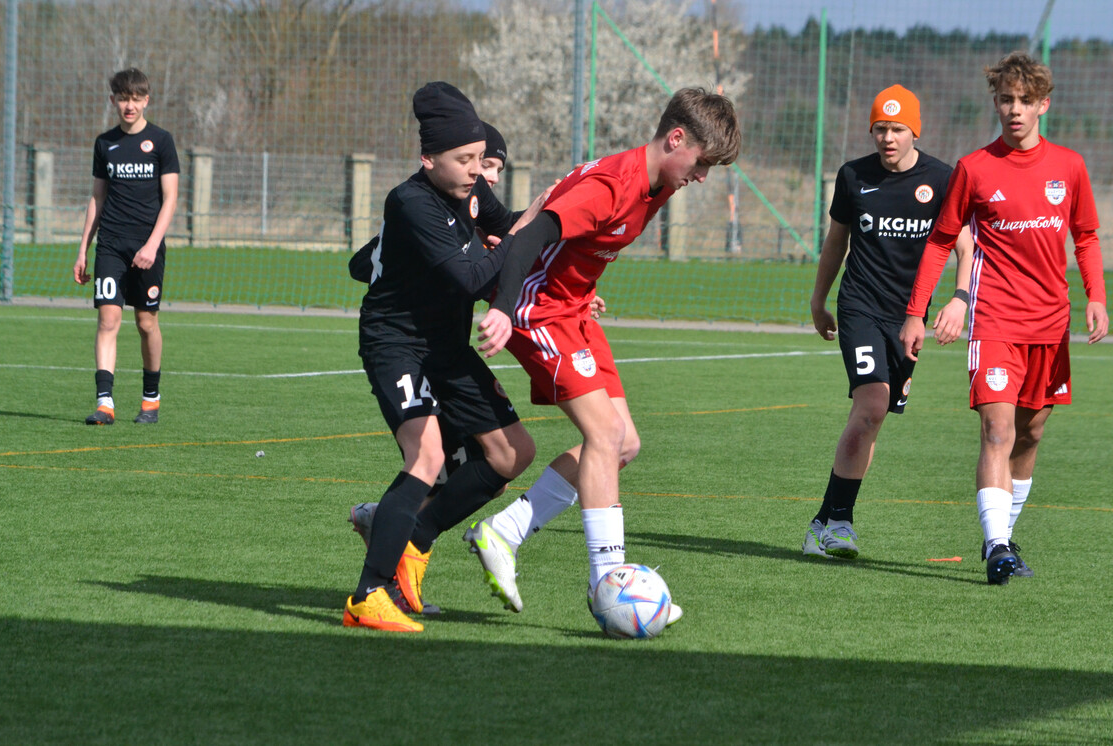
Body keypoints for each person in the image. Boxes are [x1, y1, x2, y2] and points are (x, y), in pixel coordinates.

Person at [469, 87, 742, 622]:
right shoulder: (613, 186)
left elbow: (551, 221)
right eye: (703, 162)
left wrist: (581, 282)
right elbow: (533, 236)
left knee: (624, 443)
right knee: (603, 434)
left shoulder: (657, 182)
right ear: (676, 138)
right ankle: (608, 584)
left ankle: (504, 532)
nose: (702, 176)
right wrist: (501, 306)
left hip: (571, 308)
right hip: (536, 308)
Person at [900, 52, 1108, 585]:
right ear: (996, 102)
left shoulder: (1069, 167)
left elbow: (1085, 236)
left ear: (1044, 104)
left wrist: (1096, 297)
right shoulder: (975, 168)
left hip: (1051, 325)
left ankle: (1007, 538)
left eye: (1024, 101)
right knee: (997, 429)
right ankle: (994, 546)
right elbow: (942, 240)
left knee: (1030, 432)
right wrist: (917, 311)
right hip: (994, 322)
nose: (1014, 110)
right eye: (1005, 100)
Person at [343, 83, 542, 633]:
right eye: (464, 160)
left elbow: (512, 231)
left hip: (447, 348)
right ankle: (368, 594)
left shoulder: (472, 193)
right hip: (397, 343)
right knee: (426, 455)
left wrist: (559, 259)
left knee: (510, 455)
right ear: (427, 159)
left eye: (482, 159)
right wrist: (513, 239)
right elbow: (477, 273)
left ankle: (413, 541)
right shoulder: (409, 202)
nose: (477, 172)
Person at [803, 85, 974, 559]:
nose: (888, 137)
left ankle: (824, 522)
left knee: (873, 419)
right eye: (880, 128)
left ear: (914, 130)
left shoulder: (942, 178)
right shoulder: (853, 176)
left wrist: (960, 298)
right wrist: (819, 299)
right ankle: (839, 523)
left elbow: (965, 247)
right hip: (859, 306)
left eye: (897, 129)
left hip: (909, 320)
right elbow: (836, 243)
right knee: (872, 403)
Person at [73, 68, 179, 425]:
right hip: (111, 246)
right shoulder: (105, 143)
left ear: (146, 100)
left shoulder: (161, 142)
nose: (128, 105)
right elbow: (97, 198)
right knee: (107, 318)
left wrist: (152, 244)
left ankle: (151, 399)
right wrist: (83, 248)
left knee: (146, 323)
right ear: (113, 100)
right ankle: (105, 403)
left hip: (146, 247)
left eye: (135, 99)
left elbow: (171, 199)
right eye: (122, 98)